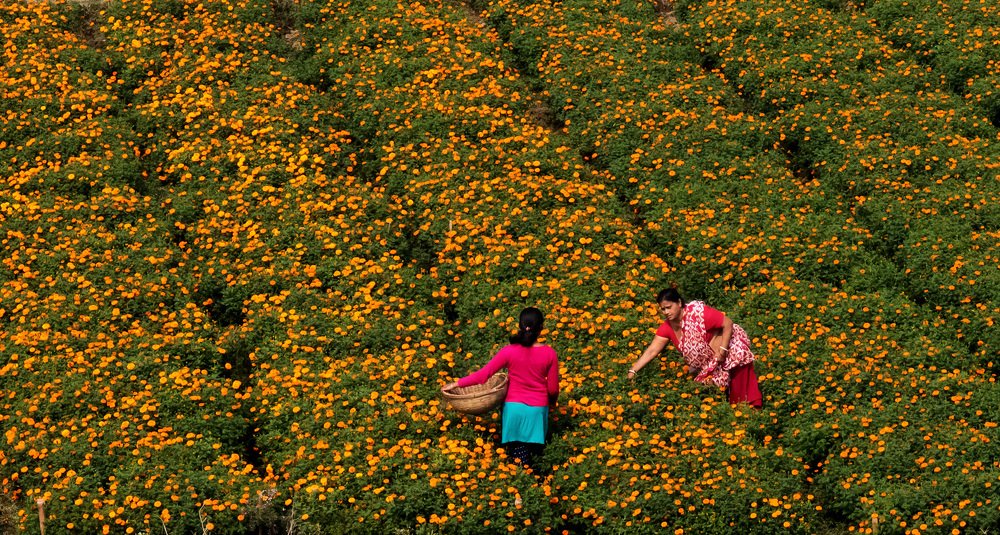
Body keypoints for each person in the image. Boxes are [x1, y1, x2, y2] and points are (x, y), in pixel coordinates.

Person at [445, 307, 560, 471]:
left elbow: (483, 375)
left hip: (513, 410)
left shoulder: (509, 351)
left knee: (518, 462)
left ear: (520, 326)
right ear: (541, 328)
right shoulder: (549, 354)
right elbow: (553, 389)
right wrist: (553, 403)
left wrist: (457, 384)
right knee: (535, 462)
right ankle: (537, 488)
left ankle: (518, 492)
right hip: (537, 412)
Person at [628, 288, 763, 408]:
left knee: (742, 395)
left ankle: (748, 415)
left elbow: (728, 323)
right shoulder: (667, 327)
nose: (666, 312)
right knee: (707, 392)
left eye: (669, 307)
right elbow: (652, 350)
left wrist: (723, 350)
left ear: (679, 303)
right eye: (663, 309)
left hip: (731, 347)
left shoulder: (699, 313)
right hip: (712, 362)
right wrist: (633, 371)